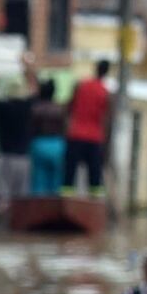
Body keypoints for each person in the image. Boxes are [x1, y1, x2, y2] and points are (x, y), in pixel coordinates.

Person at [64, 58, 114, 193]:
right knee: (94, 175)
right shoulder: (104, 92)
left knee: (69, 173)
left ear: (96, 68)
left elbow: (69, 107)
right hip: (94, 138)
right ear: (107, 72)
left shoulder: (81, 86)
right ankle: (94, 204)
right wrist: (106, 144)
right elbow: (107, 118)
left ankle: (67, 199)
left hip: (76, 134)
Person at [24, 77, 67, 197]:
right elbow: (65, 128)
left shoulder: (35, 109)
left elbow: (30, 129)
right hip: (57, 146)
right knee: (56, 182)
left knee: (39, 181)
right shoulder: (60, 109)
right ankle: (54, 210)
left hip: (39, 144)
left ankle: (40, 211)